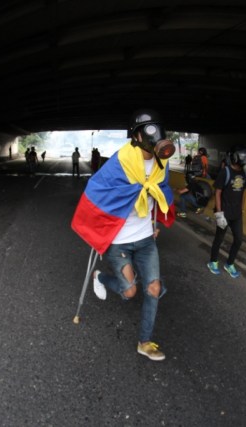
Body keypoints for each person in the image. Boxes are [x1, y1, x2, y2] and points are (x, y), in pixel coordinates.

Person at [71, 109, 176, 361]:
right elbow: (97, 190)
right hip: (118, 240)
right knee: (129, 292)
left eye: (157, 129)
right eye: (148, 130)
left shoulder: (163, 163)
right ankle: (100, 276)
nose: (155, 135)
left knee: (153, 287)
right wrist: (98, 227)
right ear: (136, 136)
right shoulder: (120, 162)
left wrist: (156, 221)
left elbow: (160, 192)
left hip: (145, 239)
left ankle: (144, 342)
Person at [207, 147, 246, 278]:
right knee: (219, 239)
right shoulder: (225, 172)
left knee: (238, 239)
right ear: (238, 159)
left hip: (237, 214)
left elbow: (244, 191)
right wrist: (219, 213)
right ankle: (213, 261)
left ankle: (229, 263)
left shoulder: (245, 173)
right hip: (224, 213)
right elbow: (218, 192)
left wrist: (242, 209)